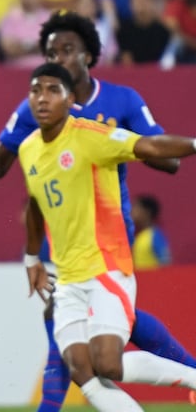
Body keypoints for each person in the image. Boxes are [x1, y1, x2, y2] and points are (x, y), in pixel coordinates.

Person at [0, 11, 196, 412]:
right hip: (63, 239)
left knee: (93, 341)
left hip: (107, 232)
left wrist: (127, 142)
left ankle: (53, 405)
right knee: (81, 341)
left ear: (88, 56)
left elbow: (163, 156)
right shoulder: (34, 118)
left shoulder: (117, 103)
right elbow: (19, 180)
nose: (58, 57)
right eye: (50, 51)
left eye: (67, 50)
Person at [20, 62, 196, 412]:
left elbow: (148, 146)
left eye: (53, 90)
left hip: (106, 267)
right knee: (81, 370)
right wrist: (32, 259)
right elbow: (37, 206)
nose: (42, 98)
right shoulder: (29, 149)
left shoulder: (91, 135)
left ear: (71, 100)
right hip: (68, 276)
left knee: (108, 364)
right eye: (36, 90)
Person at [131, 195, 171, 270]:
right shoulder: (139, 236)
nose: (132, 211)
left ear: (147, 212)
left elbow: (166, 262)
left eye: (136, 208)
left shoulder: (155, 235)